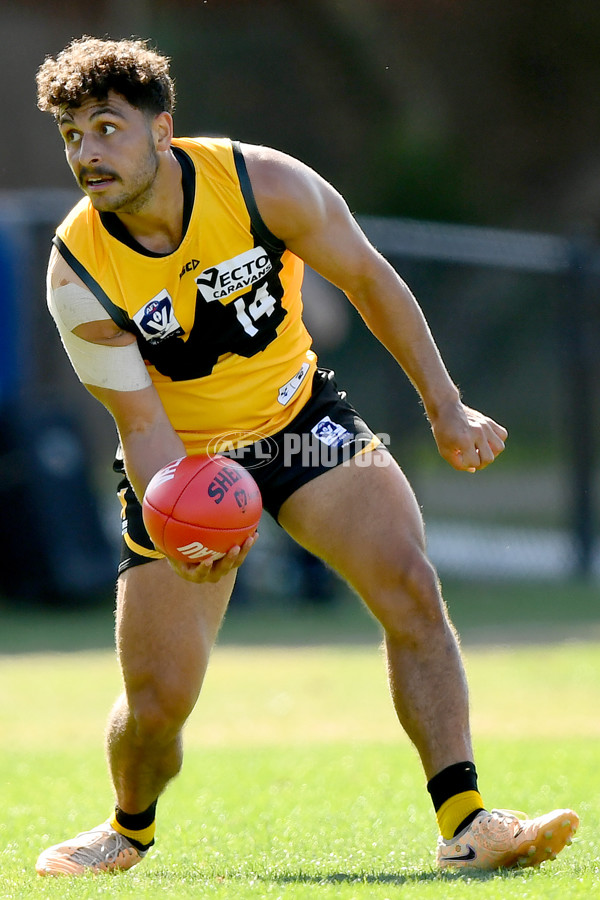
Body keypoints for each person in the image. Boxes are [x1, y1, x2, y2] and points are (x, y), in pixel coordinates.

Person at [34, 36, 578, 877]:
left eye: (106, 127)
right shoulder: (78, 270)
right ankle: (127, 827)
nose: (87, 152)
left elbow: (367, 278)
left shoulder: (263, 183)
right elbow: (141, 427)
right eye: (72, 135)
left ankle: (468, 823)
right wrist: (186, 519)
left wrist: (445, 404)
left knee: (410, 586)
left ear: (162, 129)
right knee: (158, 705)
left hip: (300, 423)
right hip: (185, 462)